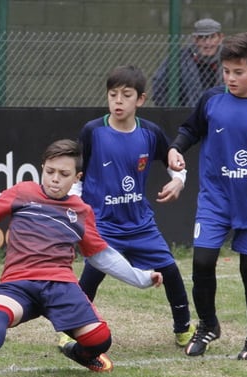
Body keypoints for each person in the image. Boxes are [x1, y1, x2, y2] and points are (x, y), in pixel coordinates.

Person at [0, 139, 163, 374]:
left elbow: (102, 256)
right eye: (50, 171)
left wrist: (141, 277)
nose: (55, 178)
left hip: (61, 286)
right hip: (19, 282)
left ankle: (77, 353)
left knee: (100, 340)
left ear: (77, 178)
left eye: (63, 174)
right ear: (42, 169)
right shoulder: (23, 192)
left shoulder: (81, 211)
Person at [166, 32, 247, 360]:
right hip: (215, 198)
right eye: (226, 71)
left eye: (238, 72)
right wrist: (174, 149)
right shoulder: (212, 99)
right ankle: (208, 324)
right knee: (202, 261)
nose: (231, 78)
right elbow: (189, 131)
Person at [76, 65, 194, 348]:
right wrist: (76, 208)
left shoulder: (150, 133)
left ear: (140, 99)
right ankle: (70, 327)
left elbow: (175, 164)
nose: (118, 100)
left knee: (170, 270)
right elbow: (77, 174)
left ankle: (184, 329)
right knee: (91, 275)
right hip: (103, 224)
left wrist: (178, 181)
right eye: (113, 94)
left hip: (140, 224)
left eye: (126, 95)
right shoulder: (93, 132)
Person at [152, 18, 224, 107]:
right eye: (202, 38)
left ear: (220, 38)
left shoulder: (229, 58)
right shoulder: (179, 58)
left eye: (212, 37)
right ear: (195, 39)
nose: (207, 43)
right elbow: (159, 84)